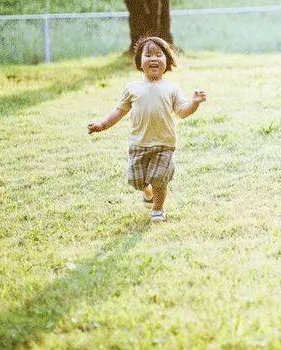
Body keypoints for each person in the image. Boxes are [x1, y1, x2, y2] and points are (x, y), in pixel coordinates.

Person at [88, 36, 206, 222]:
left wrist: (194, 103)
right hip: (139, 144)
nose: (153, 58)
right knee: (136, 180)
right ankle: (147, 192)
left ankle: (158, 209)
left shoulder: (171, 88)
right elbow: (119, 111)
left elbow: (182, 112)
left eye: (159, 55)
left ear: (166, 61)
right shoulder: (132, 88)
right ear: (139, 62)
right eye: (148, 55)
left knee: (159, 179)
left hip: (164, 144)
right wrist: (102, 125)